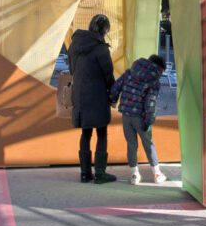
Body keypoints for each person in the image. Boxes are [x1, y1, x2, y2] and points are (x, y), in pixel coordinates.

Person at [69, 14, 117, 184]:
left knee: (86, 132)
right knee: (101, 132)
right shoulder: (101, 49)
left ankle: (85, 173)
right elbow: (108, 75)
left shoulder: (75, 44)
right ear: (105, 30)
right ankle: (100, 173)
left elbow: (72, 69)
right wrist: (114, 94)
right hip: (97, 95)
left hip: (80, 94)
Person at [110, 54, 168, 185]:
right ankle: (157, 174)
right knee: (148, 144)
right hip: (141, 117)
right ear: (159, 68)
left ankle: (134, 175)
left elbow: (116, 86)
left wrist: (113, 100)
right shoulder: (153, 81)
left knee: (131, 144)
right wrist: (149, 120)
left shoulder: (129, 73)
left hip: (126, 115)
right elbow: (150, 103)